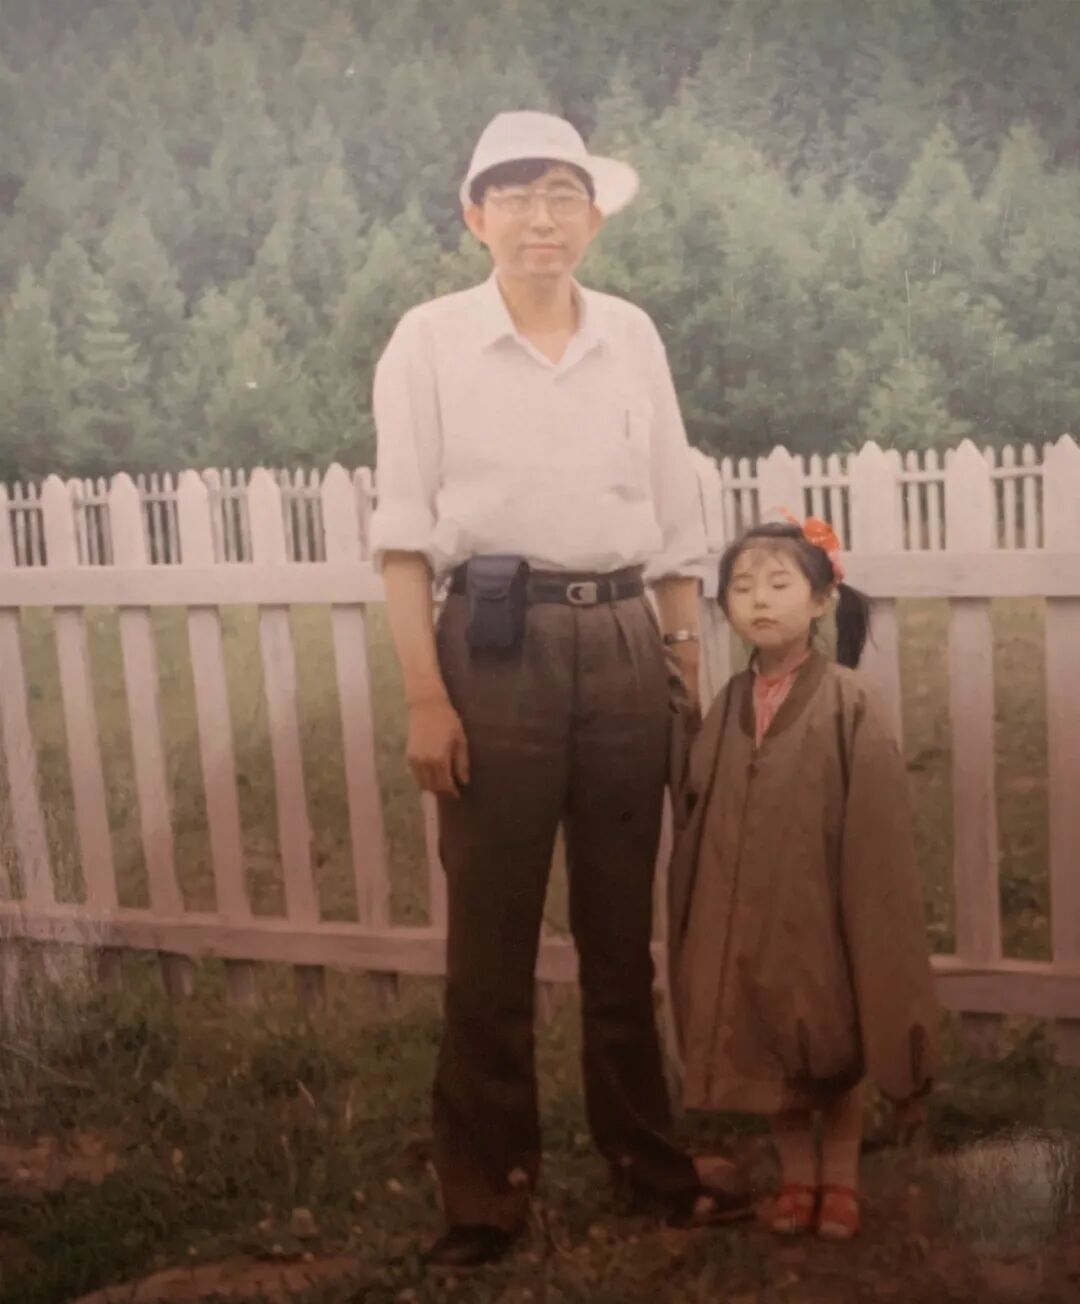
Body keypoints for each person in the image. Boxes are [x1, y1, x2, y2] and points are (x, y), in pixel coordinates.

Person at [369, 110, 749, 1272]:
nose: (543, 218)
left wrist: (682, 668)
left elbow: (673, 518)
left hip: (626, 640)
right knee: (489, 939)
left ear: (592, 215)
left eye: (564, 195)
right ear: (474, 215)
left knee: (620, 933)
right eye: (518, 195)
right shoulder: (430, 340)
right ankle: (485, 1194)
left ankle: (647, 1160)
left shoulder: (631, 334)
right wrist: (427, 696)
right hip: (495, 648)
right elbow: (402, 538)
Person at [666, 515, 940, 1241]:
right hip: (751, 918)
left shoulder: (849, 704)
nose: (760, 600)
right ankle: (797, 1179)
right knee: (771, 1055)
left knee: (831, 1050)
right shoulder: (727, 706)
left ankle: (840, 1181)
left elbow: (877, 836)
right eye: (742, 587)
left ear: (820, 601)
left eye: (779, 584)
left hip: (821, 914)